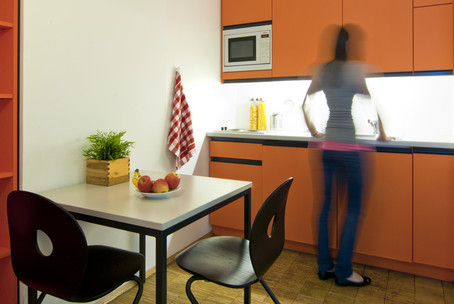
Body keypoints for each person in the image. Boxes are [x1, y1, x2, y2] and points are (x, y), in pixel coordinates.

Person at [302, 24, 393, 287]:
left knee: (325, 209)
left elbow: (304, 104)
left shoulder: (323, 70)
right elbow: (371, 103)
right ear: (349, 44)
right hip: (349, 150)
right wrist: (382, 134)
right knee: (353, 210)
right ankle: (344, 272)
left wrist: (313, 130)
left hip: (326, 147)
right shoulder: (353, 69)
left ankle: (324, 267)